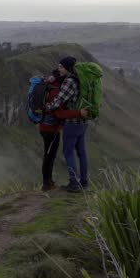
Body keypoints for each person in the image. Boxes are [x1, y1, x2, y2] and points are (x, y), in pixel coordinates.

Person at [45, 55, 89, 192]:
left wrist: (48, 106)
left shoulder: (69, 82)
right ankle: (84, 182)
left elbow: (60, 100)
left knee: (68, 153)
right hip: (82, 122)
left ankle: (74, 184)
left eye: (61, 67)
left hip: (71, 123)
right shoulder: (79, 79)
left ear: (67, 68)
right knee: (82, 153)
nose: (59, 69)